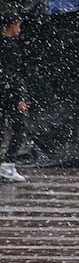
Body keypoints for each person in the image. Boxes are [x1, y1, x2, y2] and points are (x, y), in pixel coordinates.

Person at [0, 11, 29, 182]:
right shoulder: (11, 48)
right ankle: (7, 165)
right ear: (11, 26)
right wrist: (20, 98)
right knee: (19, 129)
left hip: (5, 92)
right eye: (18, 25)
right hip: (10, 94)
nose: (19, 28)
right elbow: (12, 75)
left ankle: (6, 166)